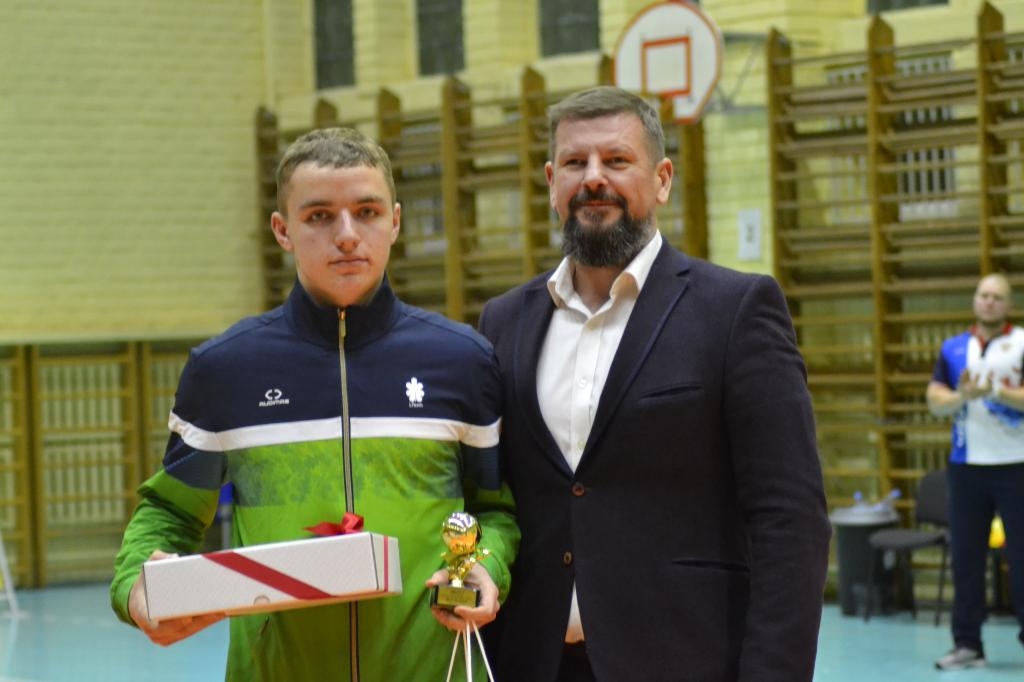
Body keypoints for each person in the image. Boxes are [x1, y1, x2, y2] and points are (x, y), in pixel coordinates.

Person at [110, 127, 518, 681]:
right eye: (320, 216)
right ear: (283, 230)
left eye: (367, 212)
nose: (347, 236)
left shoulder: (463, 362)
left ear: (395, 221)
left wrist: (485, 567)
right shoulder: (225, 370)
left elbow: (494, 511)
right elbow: (171, 513)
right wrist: (137, 586)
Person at [477, 85, 831, 681]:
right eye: (574, 162)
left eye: (617, 160)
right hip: (534, 662)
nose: (594, 178)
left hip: (685, 661)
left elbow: (790, 519)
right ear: (552, 183)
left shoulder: (735, 310)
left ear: (662, 180)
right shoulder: (503, 321)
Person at [926, 272, 1024, 671]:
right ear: (974, 300)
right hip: (966, 467)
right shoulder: (953, 348)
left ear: (1009, 304)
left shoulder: (1021, 342)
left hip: (1015, 465)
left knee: (1022, 559)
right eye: (983, 295)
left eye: (997, 296)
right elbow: (935, 400)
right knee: (966, 559)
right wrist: (962, 396)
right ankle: (968, 644)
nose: (989, 302)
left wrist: (996, 391)